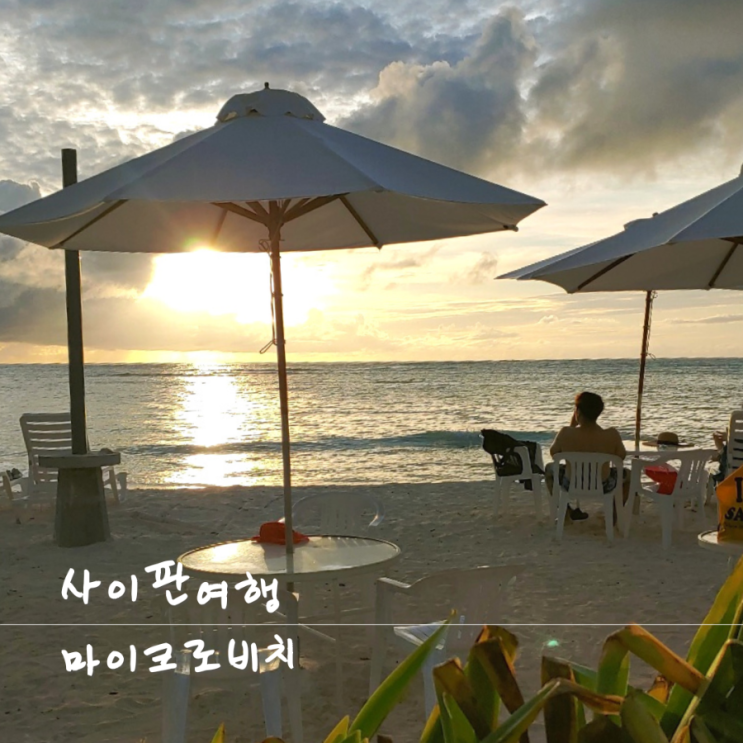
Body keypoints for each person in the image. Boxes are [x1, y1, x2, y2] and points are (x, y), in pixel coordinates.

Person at [545, 391, 629, 522]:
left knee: (549, 469)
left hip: (571, 483)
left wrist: (572, 425)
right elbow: (621, 457)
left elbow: (554, 453)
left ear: (577, 412)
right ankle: (613, 514)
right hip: (603, 484)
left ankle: (566, 513)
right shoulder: (611, 434)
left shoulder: (566, 433)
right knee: (628, 474)